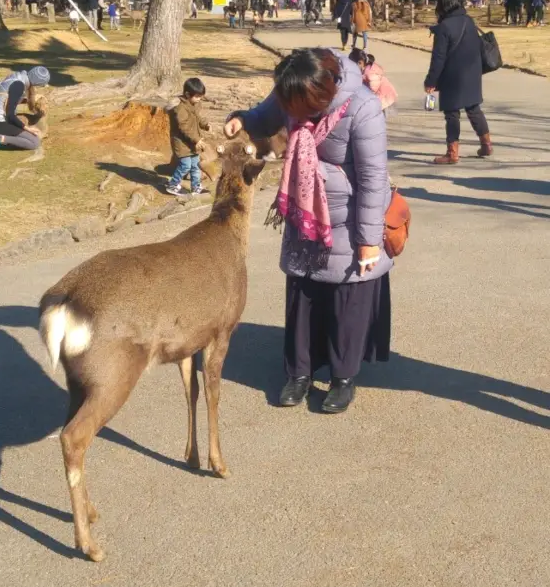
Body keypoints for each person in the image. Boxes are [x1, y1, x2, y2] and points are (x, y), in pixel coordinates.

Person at [224, 48, 392, 413]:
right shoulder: (295, 86)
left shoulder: (363, 108)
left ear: (320, 97)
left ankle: (343, 378)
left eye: (300, 108)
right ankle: (298, 373)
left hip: (346, 219)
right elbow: (268, 111)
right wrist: (243, 119)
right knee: (303, 294)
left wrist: (368, 241)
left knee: (346, 300)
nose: (291, 114)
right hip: (305, 213)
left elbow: (374, 181)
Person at [424, 0, 492, 164]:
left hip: (452, 76)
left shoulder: (444, 26)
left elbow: (438, 58)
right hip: (472, 72)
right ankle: (486, 144)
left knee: (452, 114)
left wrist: (431, 81)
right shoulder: (469, 21)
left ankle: (452, 152)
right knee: (474, 109)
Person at [0, 66, 51, 154]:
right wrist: (27, 128)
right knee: (34, 142)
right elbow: (10, 115)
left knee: (29, 135)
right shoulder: (19, 85)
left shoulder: (18, 77)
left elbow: (10, 100)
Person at [166, 78, 211, 196]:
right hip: (182, 143)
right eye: (197, 96)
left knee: (196, 165)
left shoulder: (194, 104)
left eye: (201, 96)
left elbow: (197, 117)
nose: (199, 99)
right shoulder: (180, 108)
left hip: (193, 142)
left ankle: (195, 187)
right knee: (185, 165)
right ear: (187, 94)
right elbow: (183, 127)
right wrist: (196, 139)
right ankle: (173, 184)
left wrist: (205, 125)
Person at [349, 48, 398, 114]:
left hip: (384, 99)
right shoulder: (364, 71)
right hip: (378, 99)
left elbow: (373, 90)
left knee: (379, 120)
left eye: (352, 65)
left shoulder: (370, 73)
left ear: (360, 63)